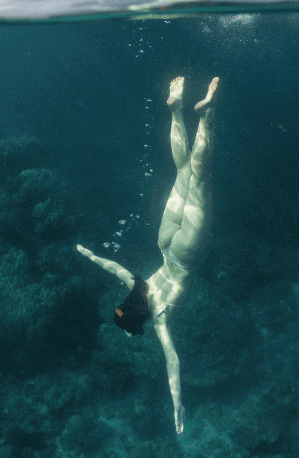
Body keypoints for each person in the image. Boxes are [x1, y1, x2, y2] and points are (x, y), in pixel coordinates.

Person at [76, 75, 219, 435]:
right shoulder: (136, 287)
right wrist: (89, 255)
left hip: (185, 256)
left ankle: (207, 115)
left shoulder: (157, 318)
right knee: (183, 171)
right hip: (165, 243)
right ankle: (176, 112)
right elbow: (115, 268)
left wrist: (178, 405)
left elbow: (173, 362)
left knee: (200, 179)